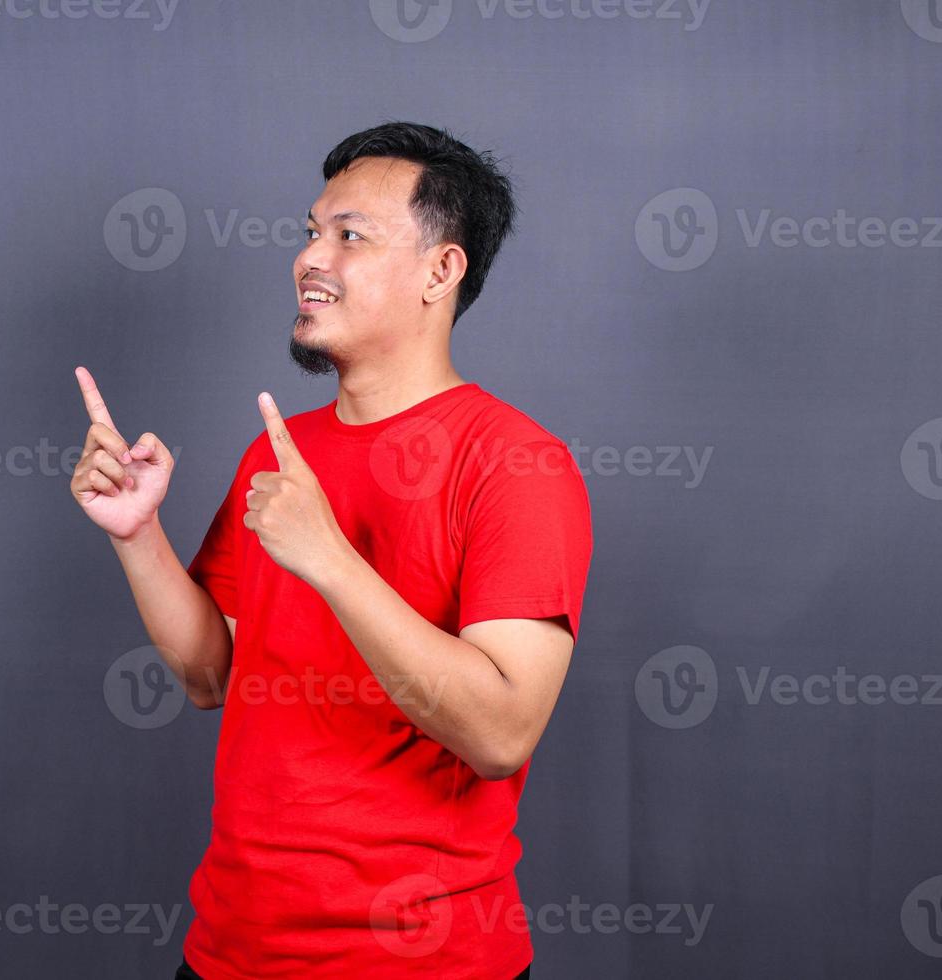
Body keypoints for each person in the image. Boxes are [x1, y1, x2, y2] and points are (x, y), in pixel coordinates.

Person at [70, 121, 592, 979]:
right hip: (231, 951)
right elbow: (212, 677)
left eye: (350, 235)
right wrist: (138, 535)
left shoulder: (515, 462)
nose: (312, 258)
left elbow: (501, 733)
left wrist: (333, 558)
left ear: (441, 270)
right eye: (312, 232)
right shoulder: (280, 454)